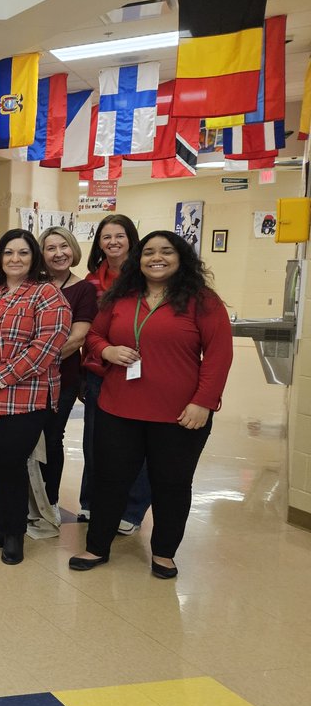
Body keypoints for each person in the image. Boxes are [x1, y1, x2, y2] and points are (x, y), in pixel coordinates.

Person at [69, 232, 232, 579]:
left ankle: (164, 553)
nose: (156, 258)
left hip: (179, 414)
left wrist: (203, 402)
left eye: (166, 252)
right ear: (138, 260)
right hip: (118, 407)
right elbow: (95, 335)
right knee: (110, 479)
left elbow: (218, 355)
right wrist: (107, 351)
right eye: (149, 252)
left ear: (181, 258)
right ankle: (97, 545)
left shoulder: (202, 301)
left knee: (171, 483)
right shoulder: (121, 297)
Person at [0, 229, 71, 565]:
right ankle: (5, 525)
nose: (15, 259)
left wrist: (0, 378)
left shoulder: (47, 296)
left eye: (22, 253)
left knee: (9, 460)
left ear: (34, 257)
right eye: (8, 253)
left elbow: (45, 348)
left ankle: (15, 533)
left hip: (24, 397)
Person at [80, 213, 151, 532]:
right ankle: (91, 503)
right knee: (96, 443)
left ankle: (132, 511)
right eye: (106, 237)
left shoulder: (148, 277)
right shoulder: (91, 281)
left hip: (141, 373)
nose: (113, 242)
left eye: (119, 236)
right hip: (99, 372)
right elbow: (89, 331)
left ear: (132, 239)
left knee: (140, 445)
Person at [38, 227, 97, 520]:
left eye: (63, 246)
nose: (58, 253)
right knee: (24, 438)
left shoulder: (84, 289)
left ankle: (50, 500)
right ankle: (25, 496)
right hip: (25, 380)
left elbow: (77, 338)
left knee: (51, 437)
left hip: (62, 377)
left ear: (73, 249)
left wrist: (33, 362)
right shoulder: (33, 284)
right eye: (50, 248)